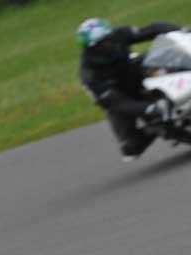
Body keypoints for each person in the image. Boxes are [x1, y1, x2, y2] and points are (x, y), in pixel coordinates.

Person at [77, 18, 180, 161]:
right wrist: (150, 108)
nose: (110, 44)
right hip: (119, 99)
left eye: (109, 38)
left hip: (133, 74)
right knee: (131, 149)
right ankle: (155, 128)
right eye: (103, 43)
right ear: (92, 48)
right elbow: (117, 103)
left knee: (158, 55)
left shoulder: (119, 34)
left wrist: (180, 32)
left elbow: (150, 30)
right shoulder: (89, 74)